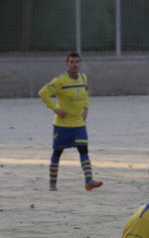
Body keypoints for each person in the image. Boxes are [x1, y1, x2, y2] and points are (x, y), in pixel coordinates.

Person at [37, 52, 103, 192]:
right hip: (62, 125)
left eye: (77, 62)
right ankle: (52, 184)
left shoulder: (83, 78)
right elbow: (43, 93)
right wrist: (55, 109)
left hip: (79, 123)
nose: (74, 65)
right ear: (67, 64)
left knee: (83, 150)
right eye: (71, 62)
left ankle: (89, 181)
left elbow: (85, 94)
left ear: (80, 64)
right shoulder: (60, 80)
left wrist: (86, 108)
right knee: (57, 152)